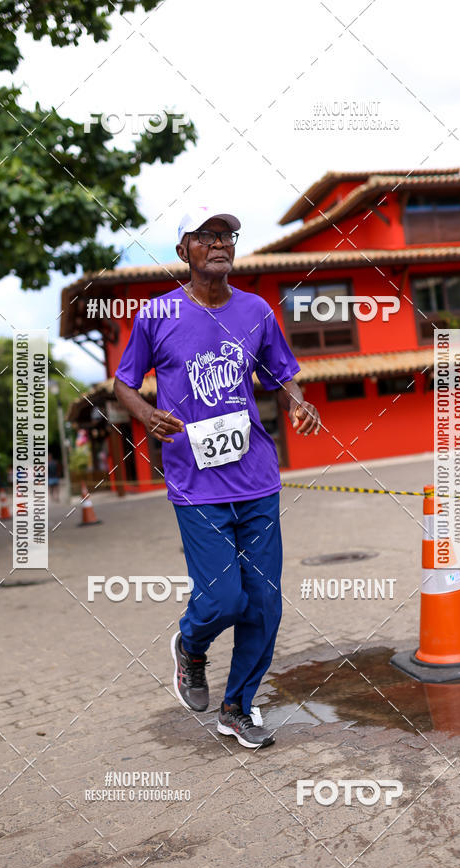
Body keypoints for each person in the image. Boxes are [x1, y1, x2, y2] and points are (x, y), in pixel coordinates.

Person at [114, 205, 321, 749]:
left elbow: (285, 377)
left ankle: (238, 706)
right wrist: (145, 414)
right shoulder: (156, 316)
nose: (220, 242)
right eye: (205, 236)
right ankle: (191, 644)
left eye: (228, 234)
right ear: (183, 251)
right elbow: (124, 384)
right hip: (196, 484)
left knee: (265, 604)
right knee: (224, 600)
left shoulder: (256, 310)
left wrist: (300, 403)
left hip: (256, 479)